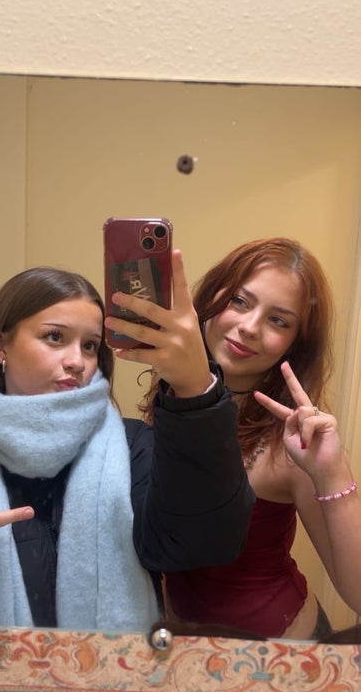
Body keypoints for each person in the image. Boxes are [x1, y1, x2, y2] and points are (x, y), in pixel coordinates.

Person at [0, 250, 254, 634]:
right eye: (54, 337)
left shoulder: (132, 446)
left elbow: (200, 542)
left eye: (90, 345)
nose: (77, 361)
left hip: (115, 672)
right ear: (1, 346)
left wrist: (194, 390)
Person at [148, 238, 361, 640]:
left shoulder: (293, 443)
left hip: (280, 651)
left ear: (296, 344)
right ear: (211, 297)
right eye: (240, 301)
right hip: (185, 647)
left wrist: (333, 473)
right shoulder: (172, 398)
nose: (249, 327)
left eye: (278, 321)